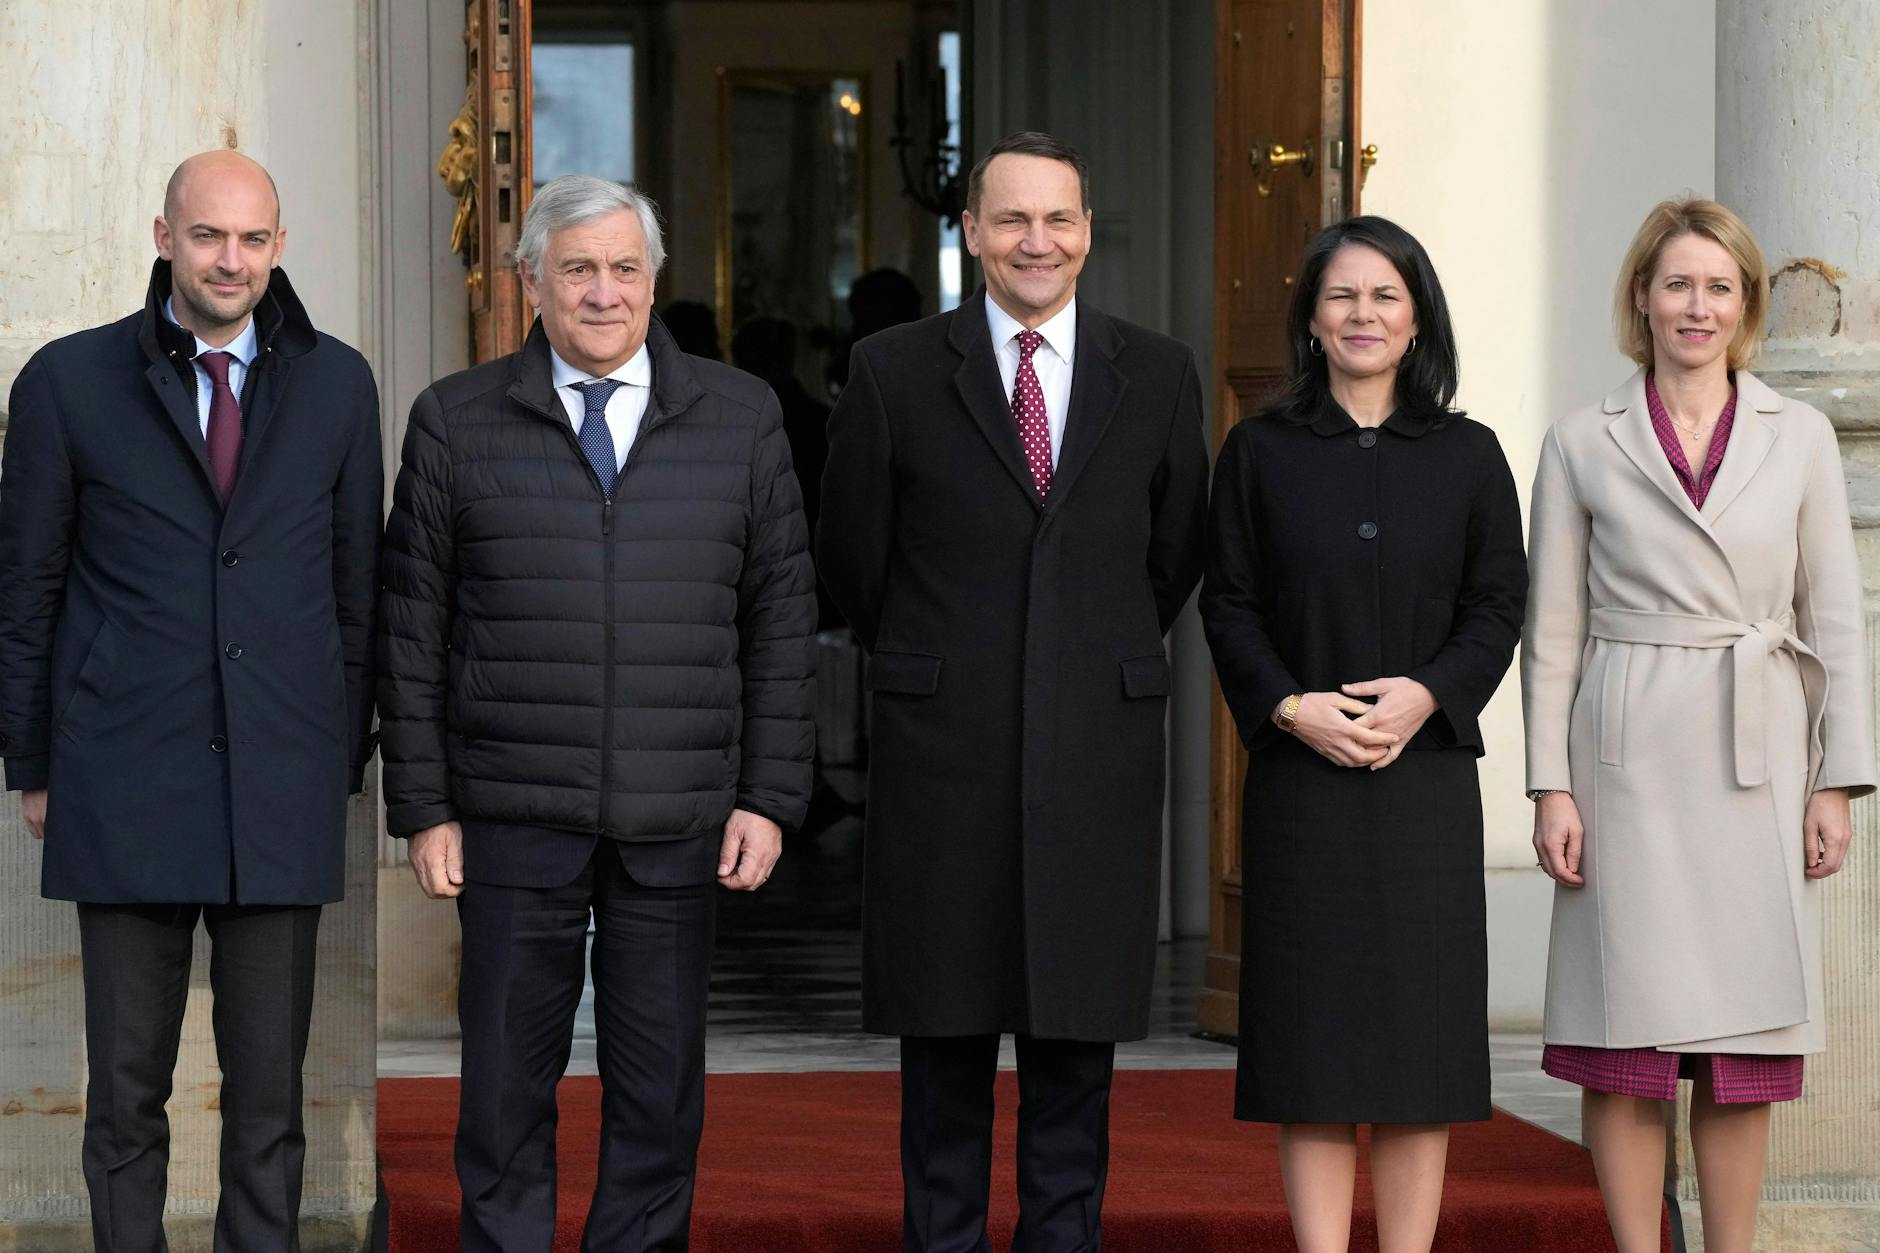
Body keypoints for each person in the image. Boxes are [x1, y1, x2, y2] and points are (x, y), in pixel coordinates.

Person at [378, 174, 814, 1252]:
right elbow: (410, 631)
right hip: (512, 812)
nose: (603, 291)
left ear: (655, 280)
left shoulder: (740, 416)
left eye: (624, 267)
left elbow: (781, 623)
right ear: (529, 281)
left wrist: (765, 795)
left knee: (659, 1090)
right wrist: (424, 806)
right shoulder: (454, 419)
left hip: (678, 814)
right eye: (576, 268)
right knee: (501, 1089)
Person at [818, 131, 1209, 1253]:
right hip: (944, 742)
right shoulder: (892, 369)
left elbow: (1170, 550)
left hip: (1096, 741)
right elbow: (855, 555)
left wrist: (1078, 647)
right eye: (1010, 219)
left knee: (1073, 1039)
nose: (1035, 241)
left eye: (1057, 219)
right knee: (942, 1038)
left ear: (1086, 232)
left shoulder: (1159, 371)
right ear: (971, 233)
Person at [0, 150, 383, 1251]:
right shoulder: (68, 382)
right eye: (208, 236)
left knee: (269, 1099)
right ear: (163, 236)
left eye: (253, 239)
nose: (231, 259)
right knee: (127, 1092)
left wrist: (337, 759)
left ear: (279, 245)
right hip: (120, 778)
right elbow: (24, 588)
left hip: (282, 780)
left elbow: (359, 589)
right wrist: (32, 761)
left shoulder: (339, 383)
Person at [1524, 198, 1873, 1253]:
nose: (1696, 305)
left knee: (1742, 1045)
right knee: (1621, 1038)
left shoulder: (1798, 432)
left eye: (1718, 286)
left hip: (1755, 750)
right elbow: (1550, 627)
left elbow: (1833, 617)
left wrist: (1834, 777)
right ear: (1639, 295)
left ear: (1746, 305)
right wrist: (1549, 783)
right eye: (1675, 283)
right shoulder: (1582, 438)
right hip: (1622, 755)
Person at [1199, 216, 1526, 1253]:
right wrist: (1290, 707)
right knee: (1312, 1056)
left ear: (1416, 314)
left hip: (1422, 788)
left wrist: (1427, 694)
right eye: (1340, 296)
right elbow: (1227, 603)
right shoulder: (1257, 450)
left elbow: (1495, 605)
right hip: (1301, 788)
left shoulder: (1468, 454)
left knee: (1417, 1059)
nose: (1361, 315)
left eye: (1384, 296)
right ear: (1308, 318)